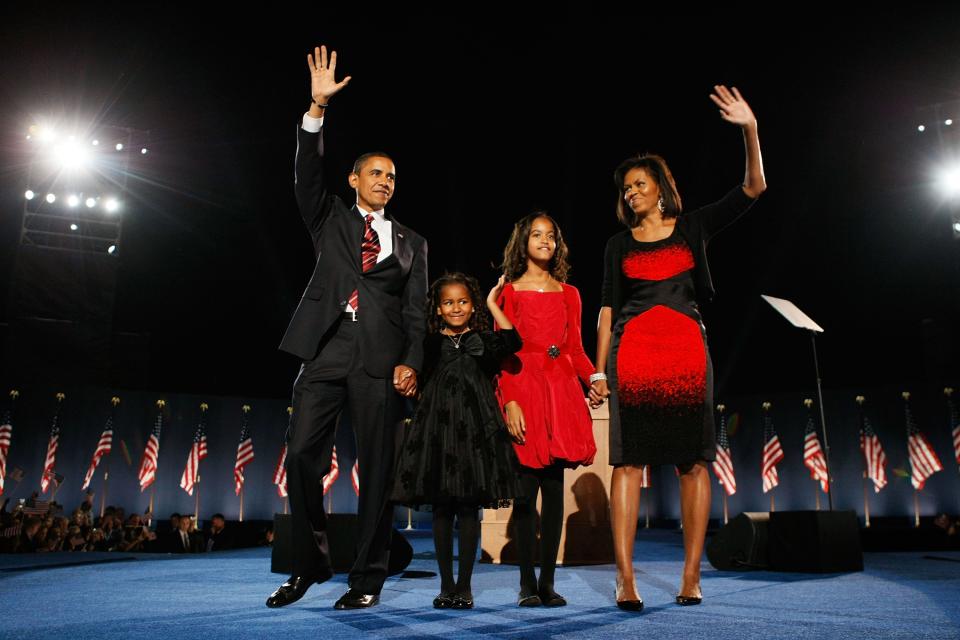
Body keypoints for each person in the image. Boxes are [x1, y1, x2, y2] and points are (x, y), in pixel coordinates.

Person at [592, 85, 766, 611]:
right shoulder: (617, 245)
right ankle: (626, 579)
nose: (630, 194)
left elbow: (753, 189)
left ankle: (691, 575)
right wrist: (598, 372)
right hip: (634, 357)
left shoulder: (692, 227)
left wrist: (750, 130)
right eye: (625, 189)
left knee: (693, 462)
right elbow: (606, 310)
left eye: (639, 185)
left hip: (687, 356)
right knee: (626, 465)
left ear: (661, 188)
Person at [267, 45, 428, 611]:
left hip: (382, 363)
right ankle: (308, 565)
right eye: (376, 173)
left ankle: (368, 579)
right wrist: (316, 108)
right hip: (326, 351)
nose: (385, 181)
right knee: (300, 457)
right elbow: (306, 174)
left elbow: (416, 311)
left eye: (392, 176)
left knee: (379, 474)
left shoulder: (413, 243)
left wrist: (412, 360)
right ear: (354, 177)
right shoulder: (328, 215)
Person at [392, 273, 522, 609]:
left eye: (463, 301)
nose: (456, 308)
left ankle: (464, 586)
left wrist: (493, 302)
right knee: (441, 508)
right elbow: (411, 370)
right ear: (437, 308)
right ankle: (445, 585)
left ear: (473, 304)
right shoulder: (429, 344)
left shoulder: (483, 341)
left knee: (467, 508)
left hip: (475, 434)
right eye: (448, 302)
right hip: (437, 432)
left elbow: (513, 341)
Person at [495, 213, 600, 607]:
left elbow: (575, 350)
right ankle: (525, 584)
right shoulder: (509, 292)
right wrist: (510, 401)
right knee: (524, 492)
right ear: (522, 242)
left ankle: (548, 582)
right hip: (523, 389)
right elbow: (501, 355)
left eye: (551, 236)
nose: (545, 241)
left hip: (559, 393)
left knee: (554, 492)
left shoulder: (570, 293)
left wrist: (595, 378)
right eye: (536, 235)